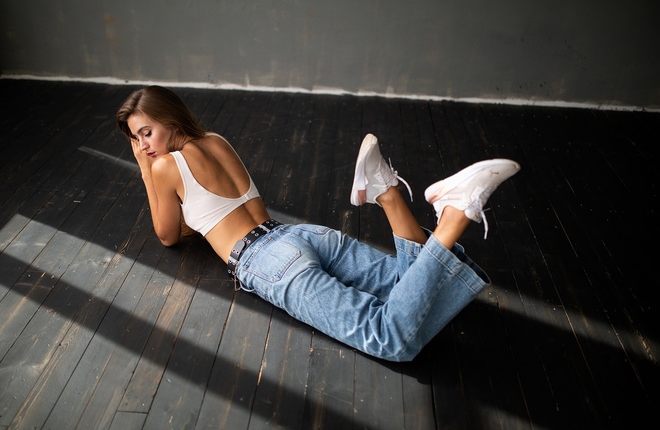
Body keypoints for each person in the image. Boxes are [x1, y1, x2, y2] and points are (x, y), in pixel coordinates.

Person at [116, 86, 520, 362]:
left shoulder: (165, 165)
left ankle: (455, 214)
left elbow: (168, 235)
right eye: (137, 141)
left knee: (389, 338)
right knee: (421, 283)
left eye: (146, 133)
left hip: (267, 260)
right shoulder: (217, 140)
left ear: (169, 119)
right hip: (298, 234)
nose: (144, 147)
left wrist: (146, 171)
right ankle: (385, 191)